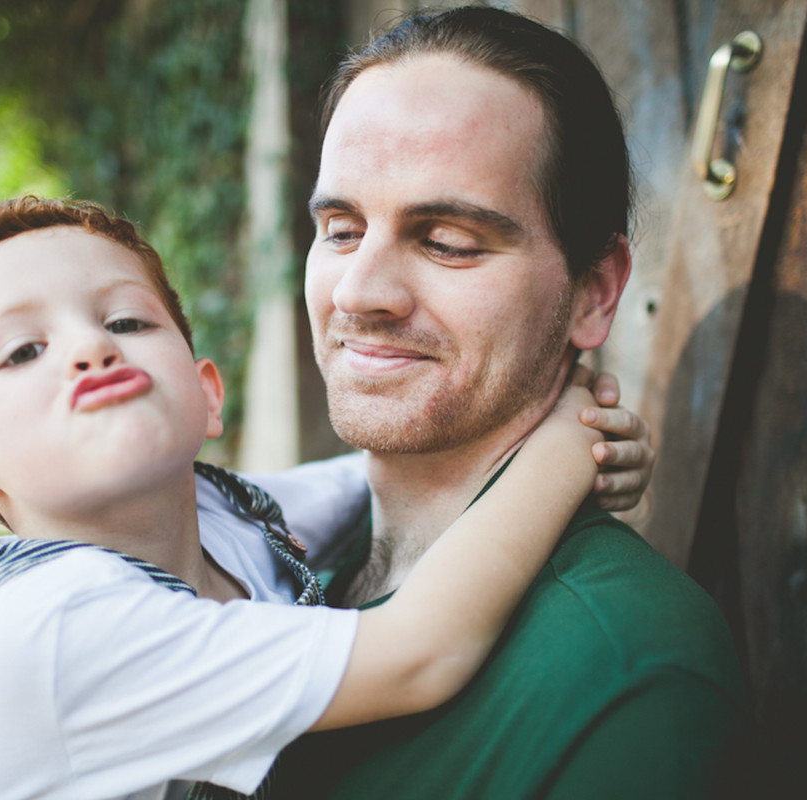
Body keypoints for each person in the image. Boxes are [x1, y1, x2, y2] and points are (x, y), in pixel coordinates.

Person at [0, 195, 648, 800]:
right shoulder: (46, 628)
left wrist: (516, 423)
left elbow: (387, 480)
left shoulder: (221, 515)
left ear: (206, 395)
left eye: (126, 321)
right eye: (23, 351)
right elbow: (420, 653)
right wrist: (568, 442)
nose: (90, 348)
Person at [274, 7, 746, 799]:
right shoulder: (270, 571)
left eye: (447, 241)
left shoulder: (623, 668)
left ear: (594, 294)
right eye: (342, 229)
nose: (358, 292)